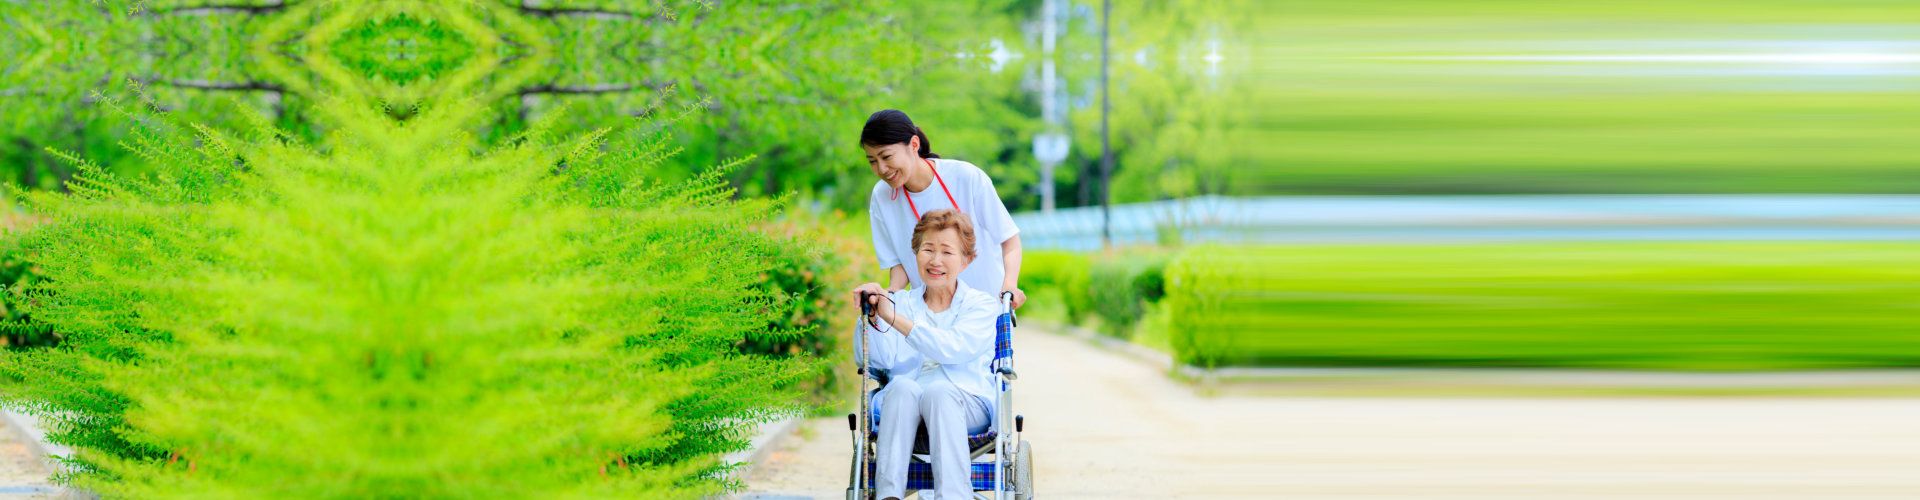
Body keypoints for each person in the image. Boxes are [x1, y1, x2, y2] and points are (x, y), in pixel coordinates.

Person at [852, 209, 1000, 500]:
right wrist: (870, 317)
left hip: (965, 402)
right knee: (903, 385)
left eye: (947, 252)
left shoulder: (980, 305)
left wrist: (895, 319)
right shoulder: (899, 302)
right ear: (916, 254)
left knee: (939, 391)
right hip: (902, 406)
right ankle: (889, 496)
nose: (935, 261)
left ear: (966, 260)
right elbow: (877, 361)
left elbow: (953, 348)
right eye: (927, 249)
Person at [862, 109, 1026, 309]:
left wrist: (1009, 285)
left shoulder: (966, 177)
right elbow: (900, 264)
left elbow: (1009, 239)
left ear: (914, 145)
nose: (881, 169)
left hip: (986, 312)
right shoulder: (882, 196)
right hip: (931, 319)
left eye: (886, 157)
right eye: (872, 161)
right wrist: (890, 294)